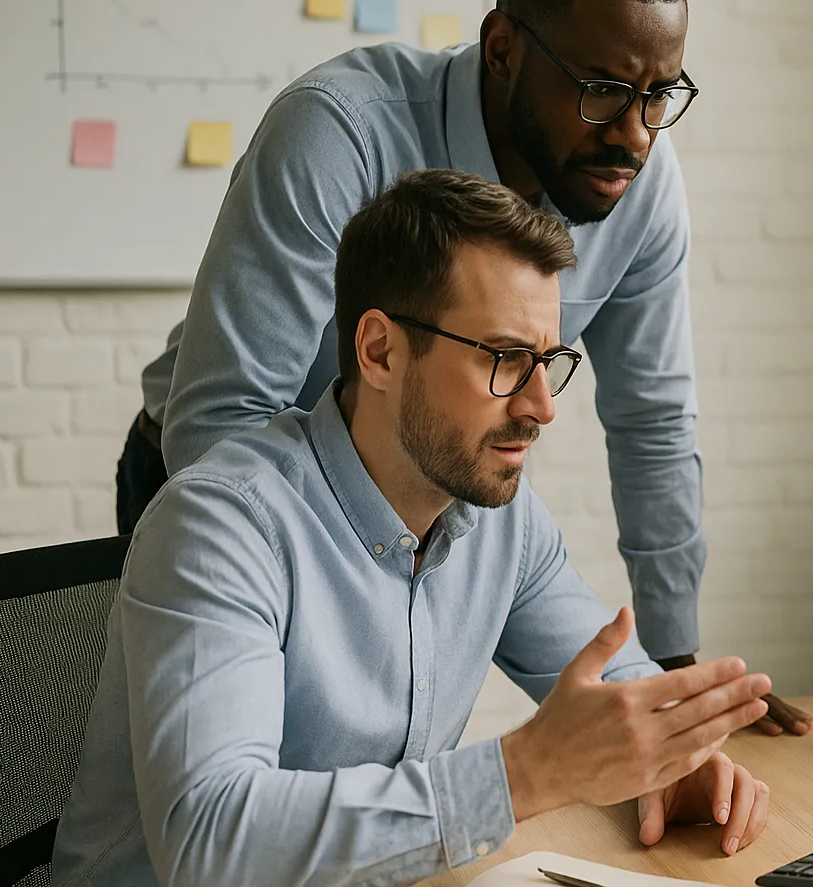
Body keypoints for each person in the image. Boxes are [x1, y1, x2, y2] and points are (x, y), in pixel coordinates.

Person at [113, 0, 810, 735]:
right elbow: (221, 422)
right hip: (228, 486)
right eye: (602, 90)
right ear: (503, 48)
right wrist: (341, 584)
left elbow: (653, 423)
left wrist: (671, 672)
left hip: (423, 494)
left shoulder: (639, 185)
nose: (634, 135)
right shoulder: (338, 132)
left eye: (660, 95)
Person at [54, 171, 773, 887]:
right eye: (504, 359)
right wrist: (525, 772)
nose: (542, 407)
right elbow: (209, 841)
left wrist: (675, 752)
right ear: (380, 351)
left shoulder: (500, 520)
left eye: (549, 363)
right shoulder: (222, 526)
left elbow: (609, 684)